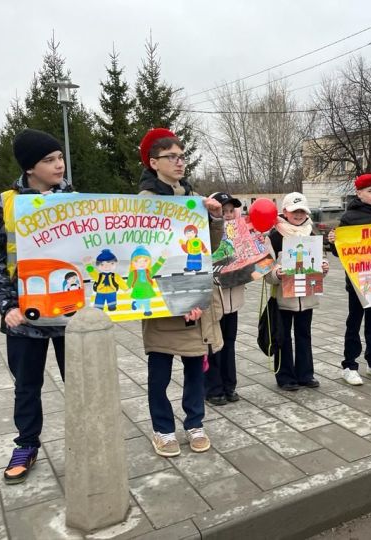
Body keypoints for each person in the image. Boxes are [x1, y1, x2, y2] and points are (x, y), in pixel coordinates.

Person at [0, 128, 72, 483]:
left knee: (78, 381)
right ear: (29, 167)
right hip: (23, 314)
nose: (59, 165)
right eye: (49, 160)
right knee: (27, 384)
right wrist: (6, 306)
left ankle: (86, 438)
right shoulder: (1, 203)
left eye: (60, 157)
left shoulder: (76, 200)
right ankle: (27, 444)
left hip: (69, 313)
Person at [137, 128, 224, 457]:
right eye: (171, 156)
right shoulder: (146, 202)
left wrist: (213, 218)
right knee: (159, 367)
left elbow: (208, 248)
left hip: (194, 295)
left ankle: (194, 422)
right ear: (153, 162)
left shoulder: (192, 198)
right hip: (162, 296)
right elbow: (141, 249)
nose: (179, 162)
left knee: (193, 366)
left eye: (182, 155)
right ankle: (162, 428)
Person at [327, 174, 371, 385]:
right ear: (359, 193)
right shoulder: (349, 218)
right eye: (370, 191)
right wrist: (333, 242)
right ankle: (349, 365)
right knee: (354, 322)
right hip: (358, 280)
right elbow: (341, 253)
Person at [266, 192, 329, 390]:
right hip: (283, 298)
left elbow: (321, 261)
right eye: (294, 211)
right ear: (285, 211)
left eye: (302, 210)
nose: (299, 214)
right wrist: (278, 272)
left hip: (307, 297)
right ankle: (285, 377)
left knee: (305, 335)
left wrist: (324, 268)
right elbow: (266, 269)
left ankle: (305, 374)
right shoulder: (275, 236)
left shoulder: (312, 233)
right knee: (283, 337)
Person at [204, 192, 245, 405]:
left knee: (229, 343)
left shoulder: (241, 233)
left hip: (233, 298)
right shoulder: (206, 233)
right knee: (213, 344)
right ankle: (213, 388)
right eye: (223, 211)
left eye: (231, 211)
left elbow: (251, 263)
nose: (228, 215)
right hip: (213, 300)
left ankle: (230, 385)